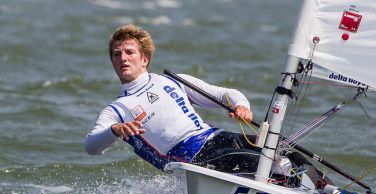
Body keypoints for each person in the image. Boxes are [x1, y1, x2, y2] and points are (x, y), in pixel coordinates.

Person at [85, 24, 262, 173]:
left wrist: (241, 106)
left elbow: (224, 94)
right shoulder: (116, 110)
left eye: (129, 52)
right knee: (261, 162)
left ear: (144, 59)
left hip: (217, 138)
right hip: (189, 161)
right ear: (113, 62)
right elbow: (91, 146)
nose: (123, 58)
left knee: (278, 149)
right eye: (117, 54)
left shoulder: (172, 81)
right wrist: (114, 130)